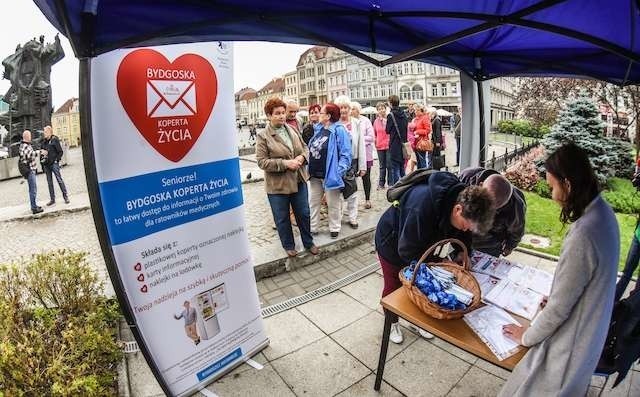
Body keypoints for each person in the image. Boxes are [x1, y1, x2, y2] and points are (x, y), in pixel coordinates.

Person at [500, 143, 619, 397]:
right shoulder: (604, 213)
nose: (552, 195)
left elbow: (558, 310)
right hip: (587, 332)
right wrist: (559, 296)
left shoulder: (584, 234)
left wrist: (526, 336)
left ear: (568, 184)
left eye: (553, 187)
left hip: (569, 347)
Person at [375, 171, 495, 343]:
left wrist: (463, 250)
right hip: (392, 242)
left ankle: (412, 320)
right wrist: (438, 263)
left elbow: (461, 232)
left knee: (417, 286)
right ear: (458, 210)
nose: (465, 230)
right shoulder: (421, 205)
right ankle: (391, 321)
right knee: (394, 285)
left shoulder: (462, 202)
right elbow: (407, 251)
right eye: (465, 225)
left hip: (419, 240)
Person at [256, 98, 318, 257]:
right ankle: (289, 245)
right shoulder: (263, 136)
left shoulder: (292, 129)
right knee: (282, 217)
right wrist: (285, 163)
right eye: (277, 113)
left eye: (283, 113)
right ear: (269, 115)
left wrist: (302, 158)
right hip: (278, 186)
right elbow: (262, 162)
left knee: (303, 213)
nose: (282, 116)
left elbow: (305, 147)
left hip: (298, 180)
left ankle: (308, 242)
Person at [459, 167, 526, 257]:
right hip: (461, 236)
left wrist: (509, 246)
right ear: (480, 185)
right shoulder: (466, 178)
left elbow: (517, 230)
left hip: (489, 245)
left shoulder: (516, 205)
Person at [308, 103, 352, 239]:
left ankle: (334, 227)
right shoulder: (318, 128)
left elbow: (346, 153)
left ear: (328, 116)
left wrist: (338, 171)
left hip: (330, 174)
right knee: (313, 201)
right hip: (315, 174)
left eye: (321, 113)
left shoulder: (339, 130)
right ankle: (313, 227)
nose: (318, 115)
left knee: (333, 203)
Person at [335, 95, 366, 229]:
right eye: (340, 107)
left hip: (352, 161)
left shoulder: (356, 123)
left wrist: (362, 165)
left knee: (353, 192)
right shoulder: (334, 124)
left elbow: (361, 145)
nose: (343, 110)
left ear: (350, 108)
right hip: (337, 163)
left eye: (346, 107)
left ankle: (353, 217)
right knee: (337, 193)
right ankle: (338, 218)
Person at [350, 101, 375, 209]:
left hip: (366, 153)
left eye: (354, 109)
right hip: (353, 155)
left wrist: (358, 140)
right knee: (352, 179)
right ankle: (353, 203)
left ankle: (367, 199)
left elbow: (371, 137)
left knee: (366, 177)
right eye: (351, 109)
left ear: (359, 110)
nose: (352, 111)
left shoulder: (365, 121)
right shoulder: (349, 122)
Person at [41, 125, 69, 206]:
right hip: (46, 165)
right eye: (44, 132)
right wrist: (42, 153)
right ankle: (52, 199)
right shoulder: (43, 141)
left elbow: (60, 152)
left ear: (50, 132)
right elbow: (42, 152)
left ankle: (65, 196)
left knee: (59, 180)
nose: (44, 133)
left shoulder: (54, 140)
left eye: (45, 132)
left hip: (54, 163)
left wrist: (57, 160)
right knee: (49, 183)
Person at [19, 130, 43, 214]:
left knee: (33, 189)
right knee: (33, 190)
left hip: (31, 169)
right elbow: (31, 155)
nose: (31, 137)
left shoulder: (25, 145)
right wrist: (40, 152)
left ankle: (34, 205)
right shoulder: (24, 146)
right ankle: (34, 208)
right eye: (29, 136)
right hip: (30, 170)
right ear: (27, 137)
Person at [385, 95, 408, 185]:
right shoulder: (404, 114)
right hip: (403, 144)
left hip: (394, 144)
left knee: (395, 168)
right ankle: (406, 185)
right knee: (402, 167)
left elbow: (387, 130)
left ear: (390, 103)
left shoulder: (391, 115)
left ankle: (397, 188)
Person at [373, 102, 391, 189]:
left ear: (385, 109)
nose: (381, 110)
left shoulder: (389, 119)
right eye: (379, 109)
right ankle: (381, 184)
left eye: (382, 108)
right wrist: (375, 141)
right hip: (379, 145)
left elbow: (390, 130)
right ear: (377, 111)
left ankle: (390, 183)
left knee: (389, 165)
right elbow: (374, 133)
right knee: (382, 166)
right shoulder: (376, 121)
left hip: (388, 145)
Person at [412, 103, 432, 170]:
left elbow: (428, 130)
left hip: (422, 142)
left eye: (416, 110)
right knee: (418, 161)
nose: (415, 112)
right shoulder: (416, 119)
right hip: (416, 142)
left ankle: (424, 175)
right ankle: (419, 175)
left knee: (422, 160)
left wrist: (418, 132)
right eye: (415, 110)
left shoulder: (425, 118)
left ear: (421, 110)